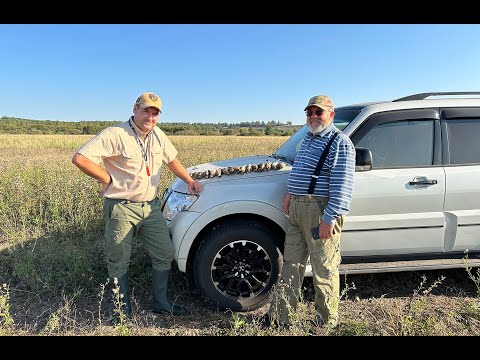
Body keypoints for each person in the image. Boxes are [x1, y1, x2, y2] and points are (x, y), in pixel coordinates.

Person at [72, 92, 203, 318]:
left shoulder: (158, 135)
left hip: (150, 207)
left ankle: (161, 302)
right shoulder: (116, 134)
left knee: (164, 253)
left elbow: (171, 160)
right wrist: (106, 179)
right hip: (121, 207)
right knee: (119, 261)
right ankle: (122, 312)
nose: (150, 117)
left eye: (155, 113)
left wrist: (190, 181)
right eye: (146, 111)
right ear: (135, 108)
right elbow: (80, 158)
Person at [266, 95, 355, 328]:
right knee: (291, 265)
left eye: (319, 112)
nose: (313, 117)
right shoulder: (307, 138)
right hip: (297, 208)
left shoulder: (340, 142)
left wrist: (329, 218)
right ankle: (282, 319)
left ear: (330, 115)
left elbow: (342, 186)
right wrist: (290, 194)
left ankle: (325, 323)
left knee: (324, 268)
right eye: (310, 113)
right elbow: (300, 171)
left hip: (319, 212)